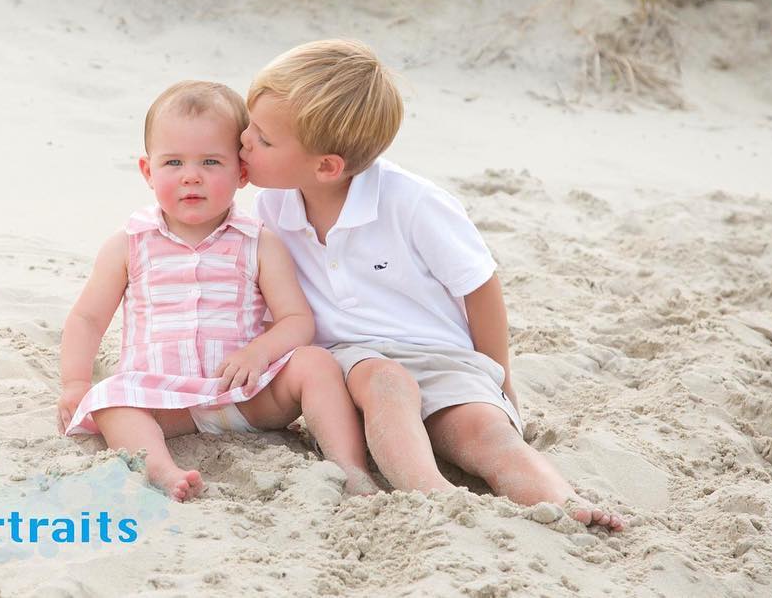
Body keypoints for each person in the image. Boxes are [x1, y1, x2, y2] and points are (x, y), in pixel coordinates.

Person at [240, 40, 624, 530]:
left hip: (439, 357)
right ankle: (433, 495)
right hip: (351, 362)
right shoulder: (273, 206)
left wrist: (499, 380)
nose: (243, 141)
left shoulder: (413, 202)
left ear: (327, 166)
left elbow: (479, 286)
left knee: (486, 433)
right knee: (385, 381)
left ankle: (563, 501)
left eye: (262, 139)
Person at [56, 79, 378, 502]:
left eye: (210, 162)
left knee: (315, 363)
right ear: (148, 171)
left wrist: (258, 353)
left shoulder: (258, 241)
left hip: (246, 396)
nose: (191, 176)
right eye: (173, 163)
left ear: (241, 172)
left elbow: (297, 320)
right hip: (163, 400)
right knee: (111, 400)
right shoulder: (129, 243)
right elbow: (87, 318)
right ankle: (162, 469)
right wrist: (75, 382)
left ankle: (349, 467)